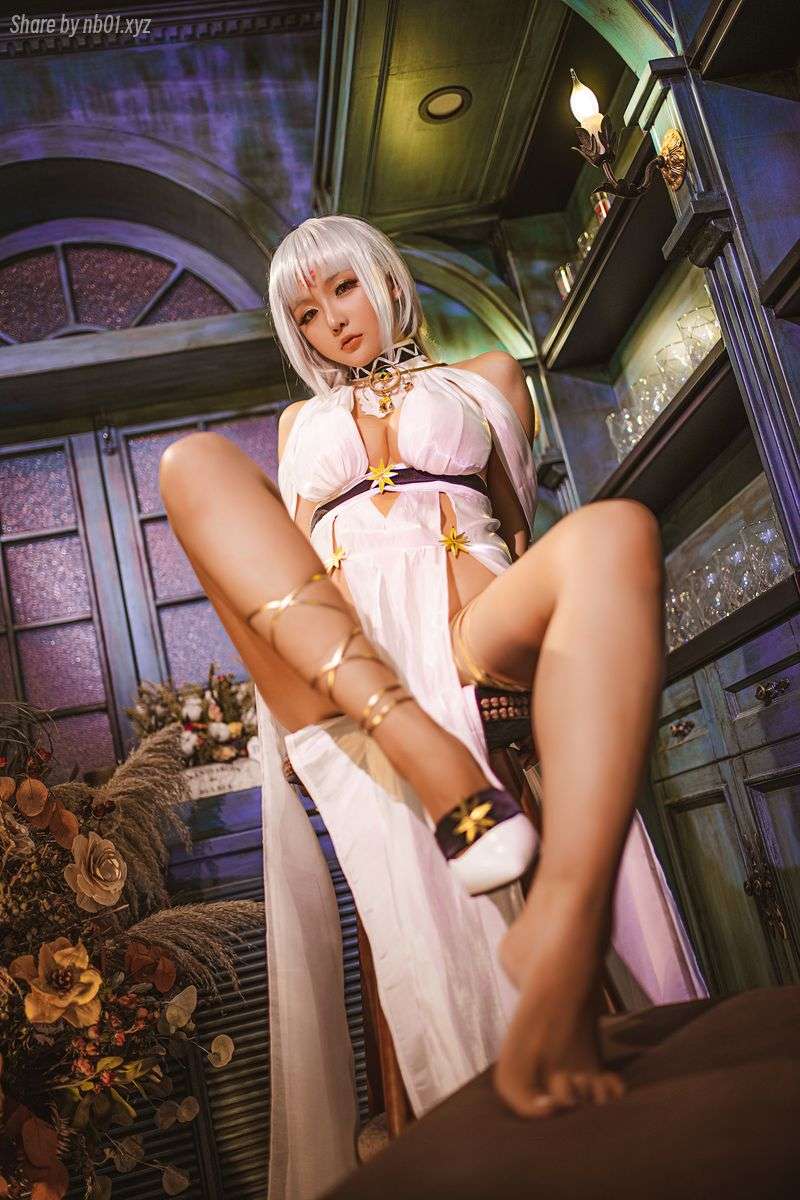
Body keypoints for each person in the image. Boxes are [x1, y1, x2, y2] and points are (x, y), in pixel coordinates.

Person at [159, 214, 706, 1200]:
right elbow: (281, 562)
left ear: (385, 278)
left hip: (467, 633)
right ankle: (417, 743)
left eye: (342, 288)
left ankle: (565, 925)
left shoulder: (489, 375)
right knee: (191, 463)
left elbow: (516, 526)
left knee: (619, 531)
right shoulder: (297, 425)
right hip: (346, 668)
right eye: (304, 313)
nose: (331, 321)